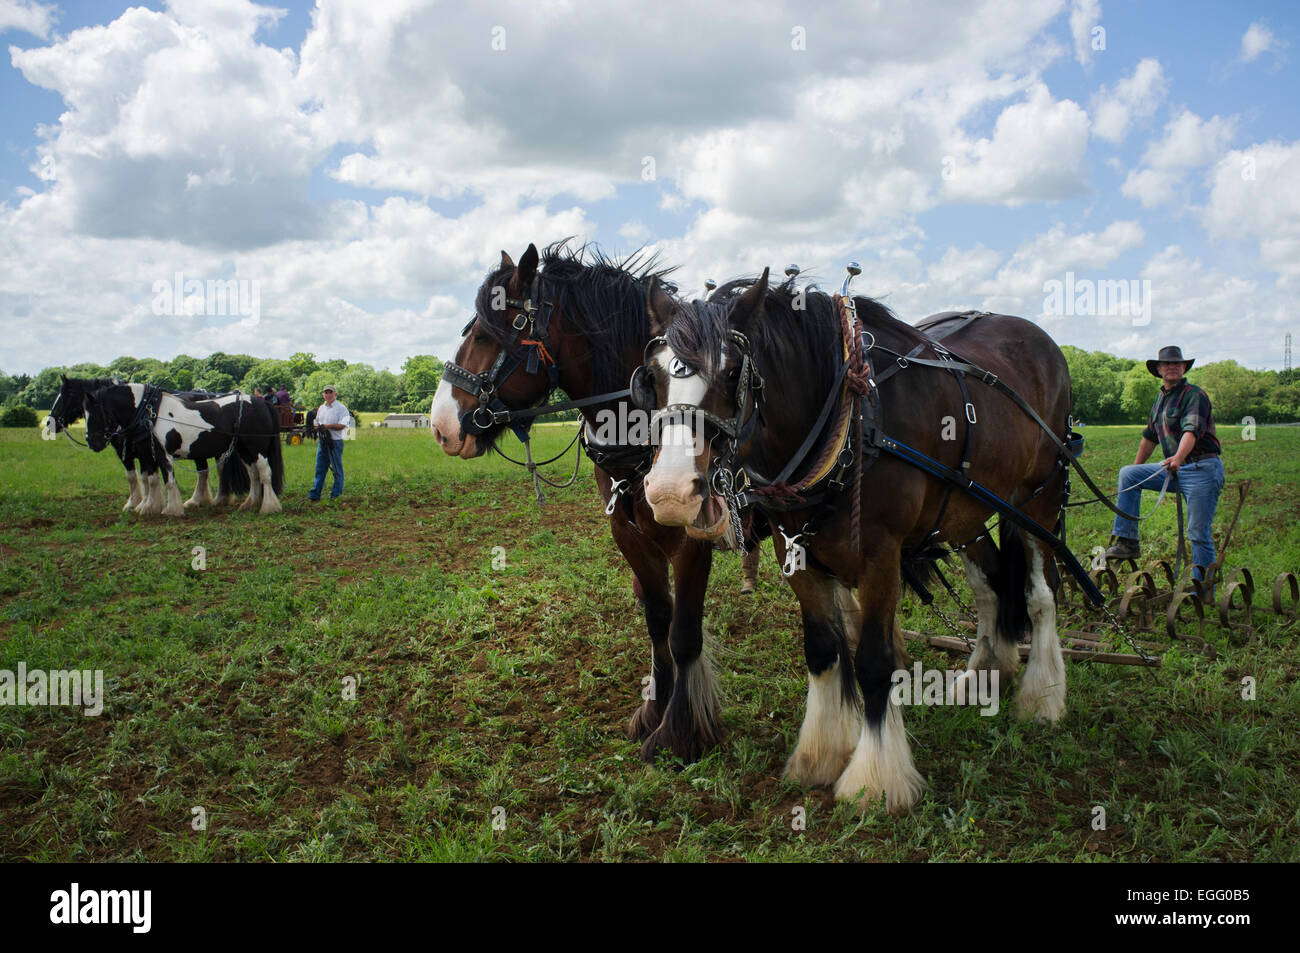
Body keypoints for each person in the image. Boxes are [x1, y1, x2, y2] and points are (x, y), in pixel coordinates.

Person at [1105, 346, 1224, 585]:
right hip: (1174, 467)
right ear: (1159, 370)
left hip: (1201, 468)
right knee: (1128, 474)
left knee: (1198, 533)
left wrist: (1178, 458)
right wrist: (1136, 474)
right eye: (1166, 364)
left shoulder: (1194, 395)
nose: (1172, 367)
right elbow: (1150, 437)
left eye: (1177, 364)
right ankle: (1127, 541)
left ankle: (1202, 587)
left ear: (1183, 368)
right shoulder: (1160, 399)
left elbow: (1191, 430)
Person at [309, 386, 350, 501]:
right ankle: (315, 494)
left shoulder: (341, 408)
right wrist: (317, 427)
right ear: (323, 395)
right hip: (322, 442)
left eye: (330, 392)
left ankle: (335, 495)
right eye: (326, 393)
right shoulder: (321, 408)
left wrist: (327, 426)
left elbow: (343, 425)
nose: (328, 395)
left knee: (337, 470)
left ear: (335, 394)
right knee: (320, 468)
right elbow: (316, 421)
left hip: (334, 443)